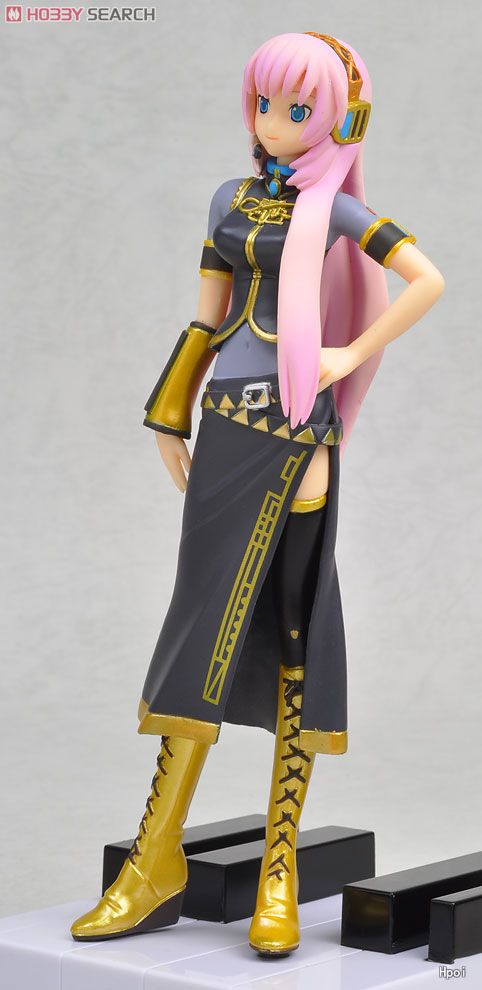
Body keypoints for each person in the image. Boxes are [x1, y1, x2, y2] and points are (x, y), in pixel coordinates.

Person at [70, 31, 444, 955]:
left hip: (299, 429)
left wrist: (349, 355)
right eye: (265, 104)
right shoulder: (229, 200)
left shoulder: (339, 209)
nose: (274, 122)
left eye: (296, 108)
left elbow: (426, 279)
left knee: (293, 626)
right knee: (199, 623)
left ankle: (280, 867)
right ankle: (154, 861)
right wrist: (168, 413)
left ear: (338, 117)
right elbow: (207, 316)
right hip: (226, 422)